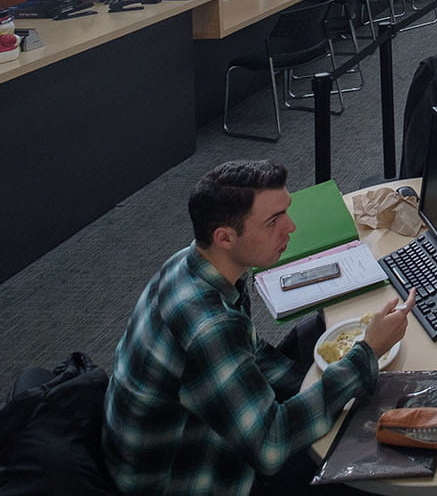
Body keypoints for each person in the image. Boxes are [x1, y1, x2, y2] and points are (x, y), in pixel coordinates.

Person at [103, 160, 411, 495]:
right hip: (193, 475)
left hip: (185, 437)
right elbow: (271, 446)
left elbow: (247, 351)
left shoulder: (192, 263)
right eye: (273, 222)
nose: (291, 227)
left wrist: (318, 384)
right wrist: (365, 355)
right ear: (225, 237)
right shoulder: (209, 327)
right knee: (372, 472)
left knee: (312, 334)